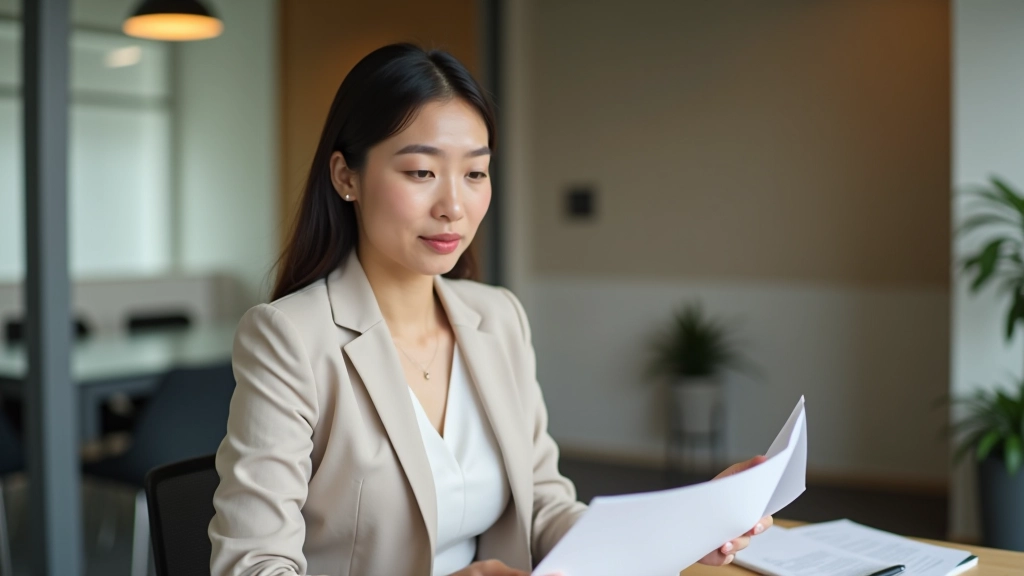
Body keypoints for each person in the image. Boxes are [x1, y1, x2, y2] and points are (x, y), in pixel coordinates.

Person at [208, 43, 772, 576]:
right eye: (421, 172)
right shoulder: (289, 338)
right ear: (346, 176)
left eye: (475, 172)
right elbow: (252, 566)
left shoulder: (499, 318)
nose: (454, 205)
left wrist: (690, 524)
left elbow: (547, 512)